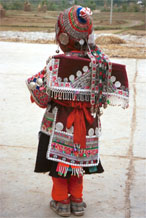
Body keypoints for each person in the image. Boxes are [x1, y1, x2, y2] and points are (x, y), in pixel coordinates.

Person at [26, 5, 129, 217]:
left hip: (58, 124)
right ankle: (78, 200)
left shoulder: (56, 63)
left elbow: (40, 93)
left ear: (62, 37)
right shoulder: (101, 63)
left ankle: (61, 201)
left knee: (60, 165)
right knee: (78, 165)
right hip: (88, 125)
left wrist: (36, 94)